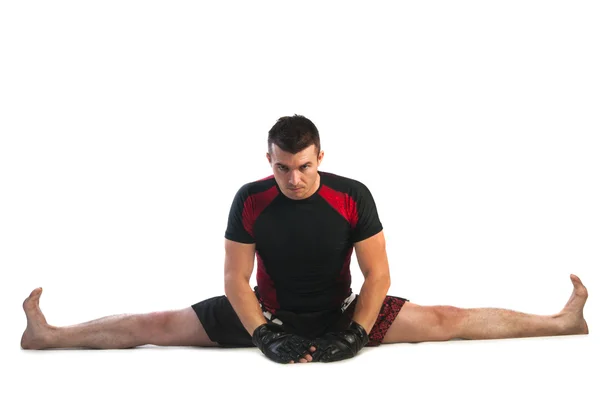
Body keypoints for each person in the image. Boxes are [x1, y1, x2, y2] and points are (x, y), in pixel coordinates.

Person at [21, 114, 589, 364]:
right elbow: (233, 280)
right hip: (265, 312)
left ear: (322, 157)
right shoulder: (251, 198)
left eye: (304, 165)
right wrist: (264, 334)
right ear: (267, 160)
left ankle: (561, 322)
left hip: (341, 313)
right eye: (282, 167)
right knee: (153, 326)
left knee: (446, 319)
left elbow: (380, 277)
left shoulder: (351, 194)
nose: (293, 178)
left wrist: (358, 334)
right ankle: (49, 336)